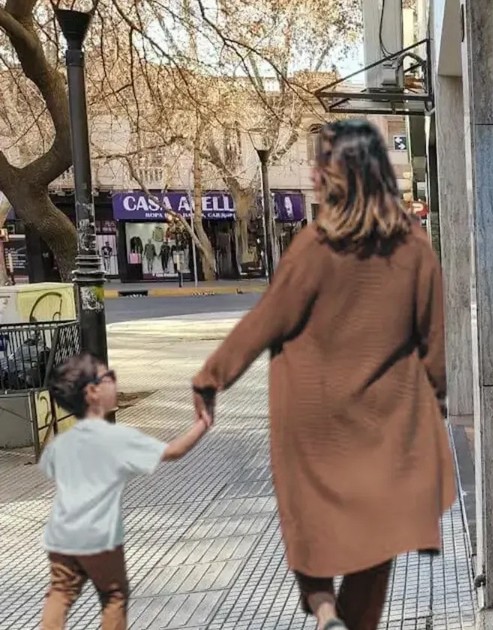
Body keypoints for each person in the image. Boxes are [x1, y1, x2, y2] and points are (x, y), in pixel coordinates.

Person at [191, 119, 454, 630]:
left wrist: (211, 376)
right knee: (374, 537)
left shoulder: (317, 246)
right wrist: (434, 406)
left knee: (310, 523)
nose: (313, 174)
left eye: (320, 165)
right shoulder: (414, 247)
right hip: (385, 424)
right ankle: (349, 620)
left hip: (312, 424)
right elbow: (435, 343)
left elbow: (266, 320)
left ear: (343, 174)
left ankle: (323, 607)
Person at [39, 354, 211, 629]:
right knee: (114, 594)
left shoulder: (60, 444)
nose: (115, 382)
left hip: (60, 535)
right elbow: (173, 451)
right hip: (98, 535)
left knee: (60, 592)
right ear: (92, 392)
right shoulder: (117, 438)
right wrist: (203, 422)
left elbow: (50, 468)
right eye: (109, 377)